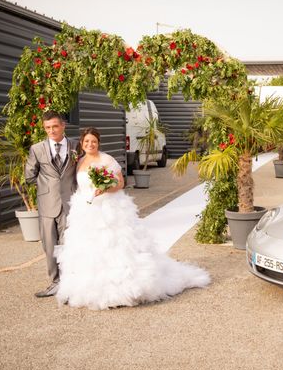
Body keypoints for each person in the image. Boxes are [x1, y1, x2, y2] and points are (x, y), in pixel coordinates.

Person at [54, 127, 209, 310]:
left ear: (98, 143)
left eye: (93, 141)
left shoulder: (106, 160)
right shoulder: (79, 162)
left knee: (115, 246)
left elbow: (120, 183)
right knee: (88, 249)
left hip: (109, 209)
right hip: (85, 210)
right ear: (82, 143)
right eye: (87, 141)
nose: (90, 144)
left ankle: (121, 289)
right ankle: (87, 288)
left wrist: (105, 189)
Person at [25, 111, 78, 298]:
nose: (51, 130)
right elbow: (29, 176)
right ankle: (55, 282)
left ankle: (70, 282)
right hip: (47, 204)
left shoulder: (75, 146)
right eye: (47, 127)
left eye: (55, 126)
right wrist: (45, 187)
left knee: (69, 244)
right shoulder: (37, 148)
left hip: (70, 202)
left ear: (63, 125)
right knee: (49, 246)